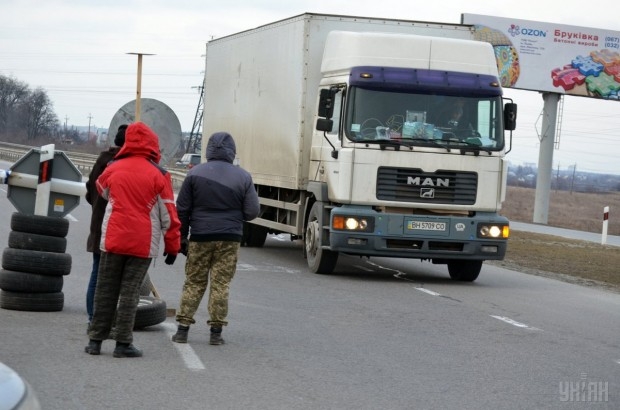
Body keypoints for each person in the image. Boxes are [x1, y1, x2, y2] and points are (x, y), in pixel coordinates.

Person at [85, 122, 181, 358]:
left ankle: (95, 341)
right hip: (141, 243)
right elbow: (168, 215)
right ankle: (122, 343)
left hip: (113, 239)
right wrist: (173, 246)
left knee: (105, 289)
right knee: (130, 293)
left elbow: (101, 189)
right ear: (152, 144)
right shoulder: (160, 175)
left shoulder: (113, 167)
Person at [172, 131, 259, 345]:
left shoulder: (194, 174)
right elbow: (252, 212)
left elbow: (182, 209)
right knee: (221, 284)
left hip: (200, 235)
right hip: (229, 238)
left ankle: (182, 330)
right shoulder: (244, 177)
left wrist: (182, 237)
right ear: (232, 151)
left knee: (194, 281)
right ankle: (216, 333)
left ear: (209, 149)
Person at [84, 124, 127, 330]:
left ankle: (93, 318)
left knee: (96, 272)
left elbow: (89, 191)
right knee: (115, 278)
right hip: (117, 228)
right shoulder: (125, 164)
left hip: (97, 225)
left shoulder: (102, 160)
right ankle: (107, 322)